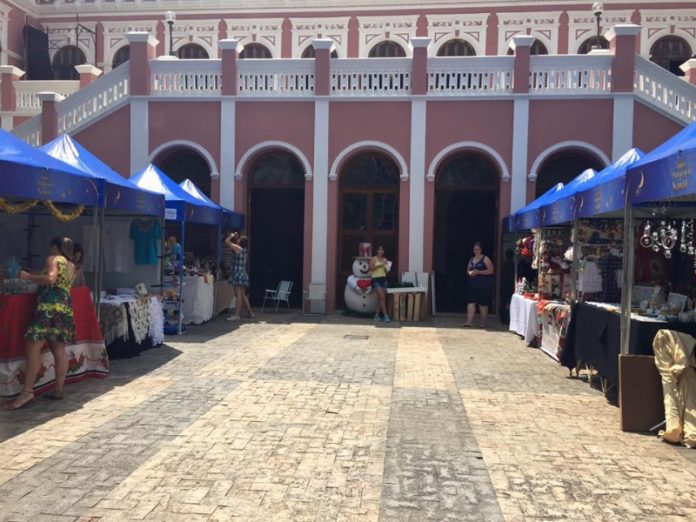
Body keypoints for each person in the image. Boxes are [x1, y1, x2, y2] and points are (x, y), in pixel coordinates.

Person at [7, 237, 76, 409]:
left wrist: (27, 276)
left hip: (48, 306)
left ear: (54, 247)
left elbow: (51, 278)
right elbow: (58, 280)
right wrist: (36, 274)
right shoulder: (71, 265)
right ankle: (58, 388)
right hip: (64, 307)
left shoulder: (53, 258)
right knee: (58, 349)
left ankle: (27, 392)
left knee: (32, 348)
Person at [463, 242, 495, 328]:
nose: (476, 251)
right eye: (475, 249)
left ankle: (483, 322)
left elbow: (491, 270)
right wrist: (470, 273)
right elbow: (467, 270)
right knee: (471, 302)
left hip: (483, 285)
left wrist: (479, 272)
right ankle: (469, 322)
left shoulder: (485, 258)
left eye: (478, 249)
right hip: (472, 284)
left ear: (481, 250)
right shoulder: (471, 259)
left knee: (483, 303)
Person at [224, 232, 254, 321]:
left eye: (239, 239)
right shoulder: (244, 250)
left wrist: (231, 236)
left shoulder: (238, 249)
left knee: (238, 295)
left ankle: (237, 315)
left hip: (237, 274)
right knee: (243, 295)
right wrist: (236, 238)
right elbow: (235, 245)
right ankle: (250, 312)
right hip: (242, 273)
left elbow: (227, 241)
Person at [369, 245, 391, 323]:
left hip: (383, 279)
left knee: (381, 298)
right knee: (382, 297)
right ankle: (385, 315)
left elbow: (386, 271)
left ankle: (377, 315)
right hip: (376, 279)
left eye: (382, 250)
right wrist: (378, 265)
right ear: (376, 251)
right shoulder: (373, 258)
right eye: (379, 249)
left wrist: (387, 267)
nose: (381, 251)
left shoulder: (384, 259)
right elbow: (370, 268)